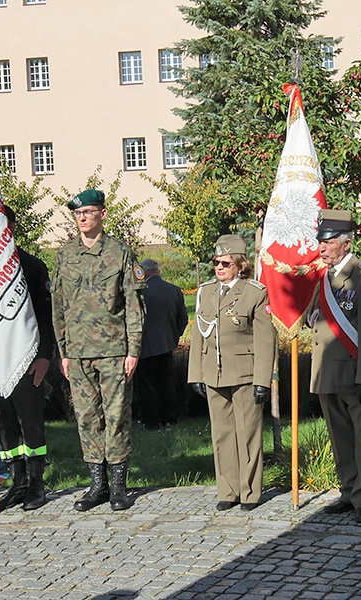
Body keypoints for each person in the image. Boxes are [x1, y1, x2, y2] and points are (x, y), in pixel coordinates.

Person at [51, 189, 146, 512]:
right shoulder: (64, 256)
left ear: (103, 214)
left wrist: (133, 350)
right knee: (87, 417)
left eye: (89, 212)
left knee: (116, 416)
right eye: (78, 214)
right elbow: (58, 307)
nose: (82, 218)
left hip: (113, 350)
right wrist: (63, 350)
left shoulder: (120, 253)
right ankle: (97, 485)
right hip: (77, 352)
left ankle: (119, 486)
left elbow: (134, 306)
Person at [308, 209, 361, 523]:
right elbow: (312, 318)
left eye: (327, 241)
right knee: (340, 437)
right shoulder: (324, 279)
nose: (322, 247)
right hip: (327, 372)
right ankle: (349, 491)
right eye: (320, 241)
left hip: (355, 372)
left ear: (346, 242)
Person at [188, 234, 276, 511]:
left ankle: (250, 492)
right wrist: (196, 374)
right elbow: (199, 334)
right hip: (214, 373)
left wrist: (263, 381)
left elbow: (264, 339)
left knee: (248, 433)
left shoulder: (254, 292)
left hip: (245, 374)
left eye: (225, 263)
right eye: (216, 262)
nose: (219, 268)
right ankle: (228, 490)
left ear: (240, 265)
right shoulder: (207, 291)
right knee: (222, 434)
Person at [0, 205, 56, 512]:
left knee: (31, 425)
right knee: (2, 424)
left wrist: (44, 357)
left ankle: (37, 483)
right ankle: (18, 481)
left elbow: (46, 317)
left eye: (1, 225)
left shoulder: (31, 266)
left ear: (11, 227)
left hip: (27, 361)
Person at [135, 257, 188, 429]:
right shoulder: (174, 290)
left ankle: (151, 422)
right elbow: (183, 318)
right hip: (167, 345)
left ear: (144, 272)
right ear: (157, 270)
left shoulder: (140, 292)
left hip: (144, 346)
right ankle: (169, 420)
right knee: (167, 384)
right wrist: (174, 336)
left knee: (147, 386)